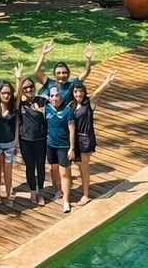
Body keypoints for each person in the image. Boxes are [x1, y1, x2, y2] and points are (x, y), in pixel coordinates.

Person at [70, 70, 118, 205]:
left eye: (81, 92)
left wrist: (107, 81)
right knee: (79, 167)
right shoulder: (72, 106)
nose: (78, 94)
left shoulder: (88, 104)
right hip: (76, 141)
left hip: (85, 141)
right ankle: (83, 191)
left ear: (84, 93)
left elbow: (97, 92)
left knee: (84, 168)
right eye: (76, 92)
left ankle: (86, 195)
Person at [13, 65, 48, 205]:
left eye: (30, 87)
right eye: (25, 88)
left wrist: (42, 111)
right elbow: (16, 96)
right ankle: (32, 192)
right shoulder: (20, 104)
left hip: (40, 139)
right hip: (26, 140)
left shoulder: (42, 100)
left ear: (34, 87)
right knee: (29, 167)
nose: (28, 90)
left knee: (40, 166)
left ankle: (40, 192)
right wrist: (18, 79)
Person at [43, 83, 77, 214]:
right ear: (49, 98)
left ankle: (66, 200)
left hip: (64, 146)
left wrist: (72, 148)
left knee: (65, 173)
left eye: (57, 95)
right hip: (50, 145)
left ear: (61, 97)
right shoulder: (47, 109)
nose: (55, 98)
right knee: (53, 168)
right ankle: (57, 190)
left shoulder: (68, 112)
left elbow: (72, 129)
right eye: (52, 96)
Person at [31, 41, 94, 108]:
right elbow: (37, 71)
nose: (61, 75)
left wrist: (88, 59)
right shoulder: (49, 83)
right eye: (58, 73)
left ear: (68, 74)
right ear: (54, 75)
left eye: (64, 73)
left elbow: (86, 71)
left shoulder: (72, 84)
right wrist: (43, 54)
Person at [0, 78, 19, 207]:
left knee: (8, 172)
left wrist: (18, 79)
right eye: (3, 93)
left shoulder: (14, 107)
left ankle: (8, 194)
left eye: (9, 93)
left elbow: (20, 94)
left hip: (9, 145)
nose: (6, 95)